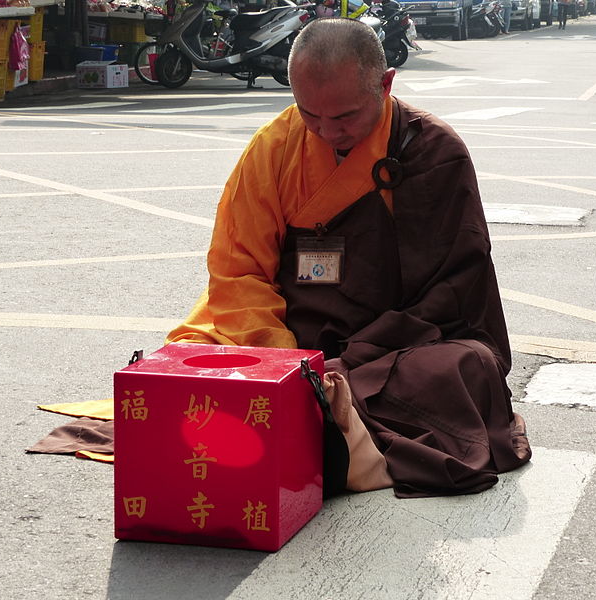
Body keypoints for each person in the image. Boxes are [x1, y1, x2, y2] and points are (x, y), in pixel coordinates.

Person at [167, 17, 532, 499]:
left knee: (463, 368)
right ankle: (323, 412)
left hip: (395, 348)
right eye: (309, 114)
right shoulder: (274, 148)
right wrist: (283, 361)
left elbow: (456, 289)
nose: (325, 131)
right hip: (294, 339)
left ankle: (326, 415)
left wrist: (353, 358)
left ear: (385, 84)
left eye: (344, 117)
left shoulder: (433, 150)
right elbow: (239, 270)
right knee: (189, 367)